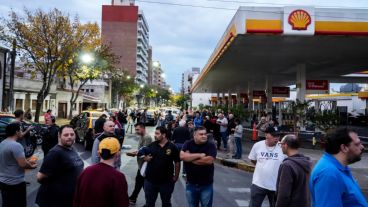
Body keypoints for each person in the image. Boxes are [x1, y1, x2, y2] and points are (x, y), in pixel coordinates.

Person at [309, 127, 367, 207]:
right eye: (357, 144)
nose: (362, 147)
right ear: (344, 148)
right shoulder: (328, 174)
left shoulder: (340, 168)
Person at [36, 125, 84, 207]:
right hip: (54, 202)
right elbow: (40, 177)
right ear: (59, 136)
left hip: (68, 200)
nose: (69, 137)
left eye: (72, 134)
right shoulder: (55, 153)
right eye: (66, 135)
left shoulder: (72, 149)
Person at [73, 138, 129, 207]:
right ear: (118, 154)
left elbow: (77, 198)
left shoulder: (86, 171)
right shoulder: (118, 177)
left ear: (99, 153)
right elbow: (122, 203)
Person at [0, 123, 37, 207]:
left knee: (6, 204)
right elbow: (23, 164)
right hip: (15, 183)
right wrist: (31, 166)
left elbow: (10, 160)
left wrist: (27, 161)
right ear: (17, 132)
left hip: (3, 182)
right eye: (20, 130)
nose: (21, 131)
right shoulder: (16, 145)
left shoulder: (2, 143)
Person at [142, 126, 180, 207]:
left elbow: (177, 162)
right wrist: (145, 158)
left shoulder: (172, 147)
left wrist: (176, 177)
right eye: (155, 133)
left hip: (167, 182)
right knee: (149, 203)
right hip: (150, 181)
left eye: (157, 133)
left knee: (166, 203)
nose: (155, 135)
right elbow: (143, 155)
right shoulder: (151, 145)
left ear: (164, 135)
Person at [180, 126, 217, 207]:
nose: (204, 136)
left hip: (206, 185)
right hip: (191, 184)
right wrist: (199, 155)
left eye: (205, 134)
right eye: (201, 134)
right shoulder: (188, 143)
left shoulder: (211, 145)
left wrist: (190, 158)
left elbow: (209, 160)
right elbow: (182, 157)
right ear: (194, 135)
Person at [248, 126, 284, 207]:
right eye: (274, 135)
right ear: (266, 135)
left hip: (276, 186)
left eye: (278, 135)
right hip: (258, 184)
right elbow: (253, 159)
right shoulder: (257, 145)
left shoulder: (282, 147)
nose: (277, 138)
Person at [275, 135, 311, 207]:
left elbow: (284, 195)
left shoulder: (287, 165)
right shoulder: (307, 162)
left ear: (286, 145)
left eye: (281, 144)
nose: (280, 146)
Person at [127, 122, 153, 204]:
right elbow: (141, 150)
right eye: (135, 129)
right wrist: (135, 152)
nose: (136, 131)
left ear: (143, 128)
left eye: (137, 129)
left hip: (145, 166)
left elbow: (146, 152)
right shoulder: (142, 136)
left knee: (144, 185)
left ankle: (148, 202)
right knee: (140, 183)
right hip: (141, 165)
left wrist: (134, 154)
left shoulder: (147, 137)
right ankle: (133, 198)